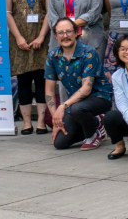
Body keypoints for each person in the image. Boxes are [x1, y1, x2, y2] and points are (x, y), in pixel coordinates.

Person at [44, 17, 114, 150]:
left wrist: (62, 106)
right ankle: (94, 124)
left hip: (99, 98)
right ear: (55, 36)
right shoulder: (53, 56)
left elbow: (86, 89)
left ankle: (94, 133)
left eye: (69, 31)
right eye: (61, 32)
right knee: (60, 143)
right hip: (75, 103)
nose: (65, 36)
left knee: (78, 109)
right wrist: (56, 118)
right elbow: (49, 91)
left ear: (76, 33)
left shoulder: (88, 53)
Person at [7, 0, 51, 135]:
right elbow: (8, 12)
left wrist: (41, 36)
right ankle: (26, 122)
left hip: (42, 38)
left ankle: (41, 121)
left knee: (42, 80)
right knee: (23, 80)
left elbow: (50, 11)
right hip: (19, 40)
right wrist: (18, 38)